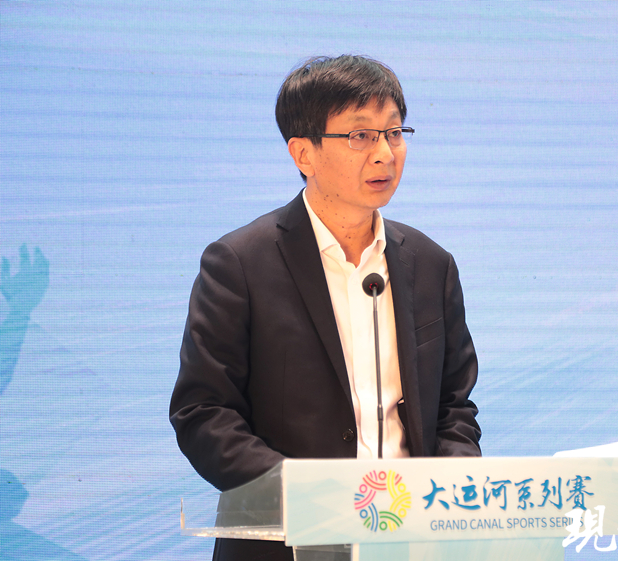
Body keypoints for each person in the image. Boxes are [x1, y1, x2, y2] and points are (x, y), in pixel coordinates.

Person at [169, 55, 481, 561]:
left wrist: (452, 493)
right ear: (303, 153)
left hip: (409, 542)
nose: (385, 153)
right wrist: (308, 496)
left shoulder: (431, 264)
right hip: (289, 541)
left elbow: (453, 407)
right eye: (360, 136)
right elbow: (203, 413)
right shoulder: (240, 264)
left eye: (394, 132)